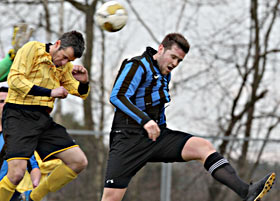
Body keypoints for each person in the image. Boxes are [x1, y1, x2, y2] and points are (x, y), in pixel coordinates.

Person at [101, 33, 276, 201]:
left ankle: (246, 192)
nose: (175, 63)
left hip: (155, 137)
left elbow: (157, 106)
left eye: (179, 61)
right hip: (127, 140)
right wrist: (145, 121)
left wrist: (159, 127)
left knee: (202, 147)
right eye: (173, 57)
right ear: (161, 49)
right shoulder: (137, 65)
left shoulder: (165, 74)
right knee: (111, 199)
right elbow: (117, 97)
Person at [0, 30, 90, 201]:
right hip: (18, 115)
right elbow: (15, 80)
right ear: (57, 44)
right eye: (64, 57)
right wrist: (50, 92)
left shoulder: (64, 66)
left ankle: (33, 197)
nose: (64, 63)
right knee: (16, 174)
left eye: (69, 61)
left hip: (42, 119)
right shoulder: (32, 49)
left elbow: (80, 93)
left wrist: (84, 82)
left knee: (78, 161)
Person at [0, 84, 41, 201]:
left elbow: (33, 167)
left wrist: (35, 186)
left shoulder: (21, 137)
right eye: (1, 101)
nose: (4, 105)